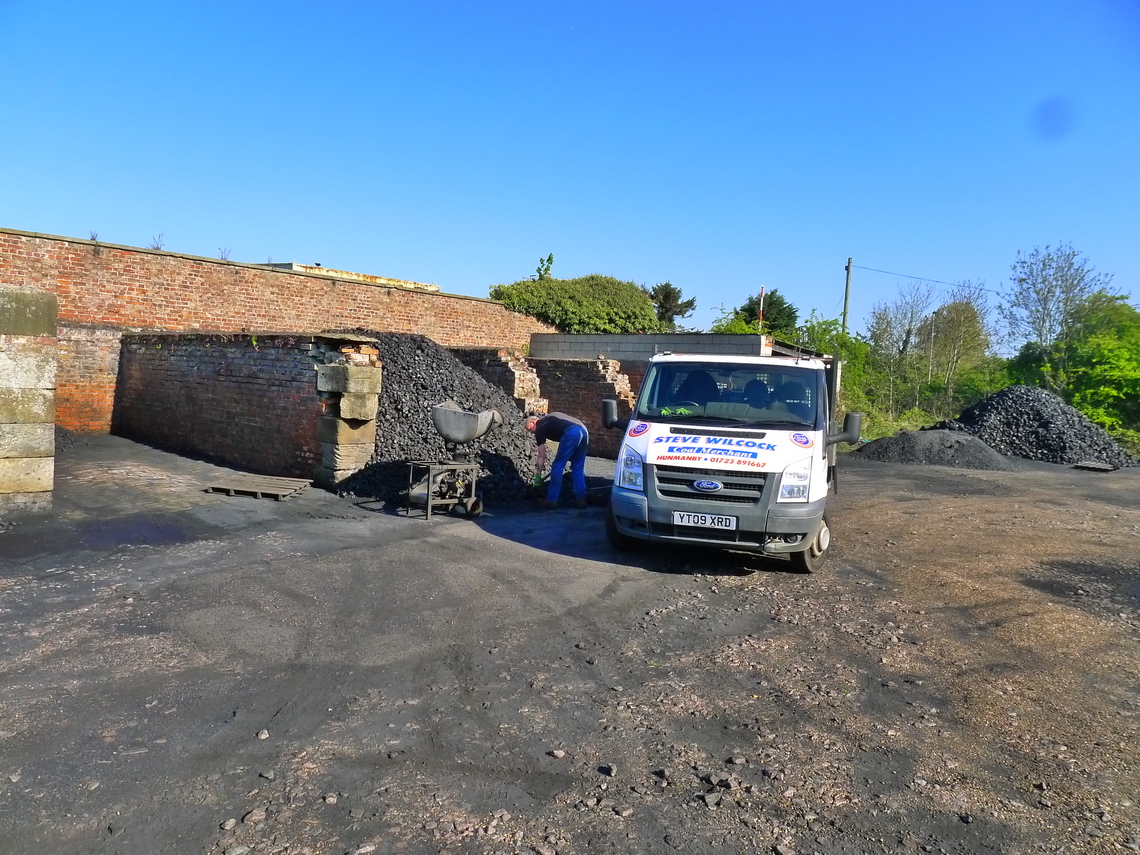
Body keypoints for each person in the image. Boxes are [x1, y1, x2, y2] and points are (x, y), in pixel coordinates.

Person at [525, 411, 589, 509]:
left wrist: (538, 475)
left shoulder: (540, 426)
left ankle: (552, 500)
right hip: (583, 432)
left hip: (572, 433)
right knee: (578, 468)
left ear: (533, 422)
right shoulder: (550, 420)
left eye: (530, 430)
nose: (532, 433)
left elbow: (541, 455)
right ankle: (580, 500)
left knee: (557, 466)